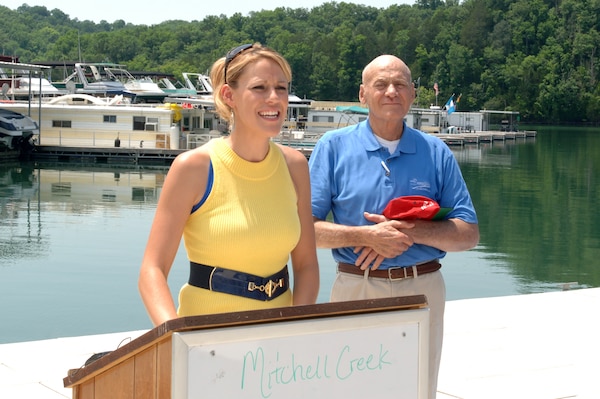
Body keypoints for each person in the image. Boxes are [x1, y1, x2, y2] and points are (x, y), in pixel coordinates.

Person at [308, 54, 479, 398]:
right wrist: (366, 235)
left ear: (413, 94)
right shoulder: (333, 147)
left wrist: (405, 232)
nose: (391, 92)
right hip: (357, 286)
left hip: (423, 288)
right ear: (362, 94)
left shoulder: (436, 151)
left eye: (400, 84)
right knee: (351, 389)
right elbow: (304, 230)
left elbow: (468, 233)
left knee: (416, 388)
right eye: (381, 84)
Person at [139, 43, 320, 326]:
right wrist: (174, 335)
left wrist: (294, 326)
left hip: (278, 342)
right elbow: (152, 270)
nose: (274, 98)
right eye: (259, 88)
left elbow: (307, 266)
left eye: (281, 88)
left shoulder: (295, 166)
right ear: (228, 95)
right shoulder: (194, 168)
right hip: (203, 338)